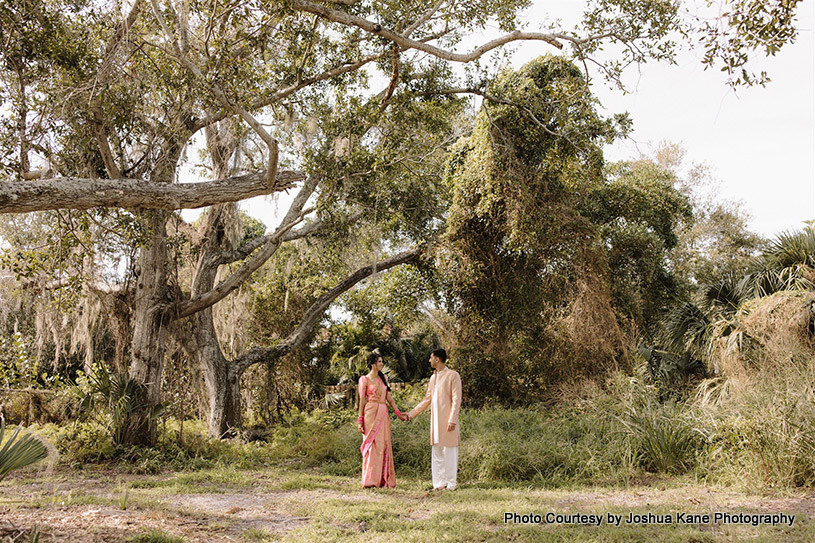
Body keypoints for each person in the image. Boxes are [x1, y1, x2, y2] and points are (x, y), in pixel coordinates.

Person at [405, 348, 462, 491]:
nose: (429, 360)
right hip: (435, 422)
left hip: (448, 421)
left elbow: (456, 399)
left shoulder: (453, 375)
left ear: (437, 359)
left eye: (431, 358)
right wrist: (411, 414)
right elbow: (427, 400)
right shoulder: (433, 378)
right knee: (437, 453)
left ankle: (451, 484)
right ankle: (439, 484)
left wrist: (452, 420)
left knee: (449, 452)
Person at [357, 352, 408, 488]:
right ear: (373, 364)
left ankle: (383, 479)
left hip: (383, 413)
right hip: (370, 414)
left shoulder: (384, 378)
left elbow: (389, 398)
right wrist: (360, 419)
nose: (381, 364)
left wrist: (398, 412)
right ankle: (370, 480)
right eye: (379, 362)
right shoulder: (364, 380)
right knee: (372, 446)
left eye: (381, 361)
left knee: (383, 444)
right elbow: (362, 400)